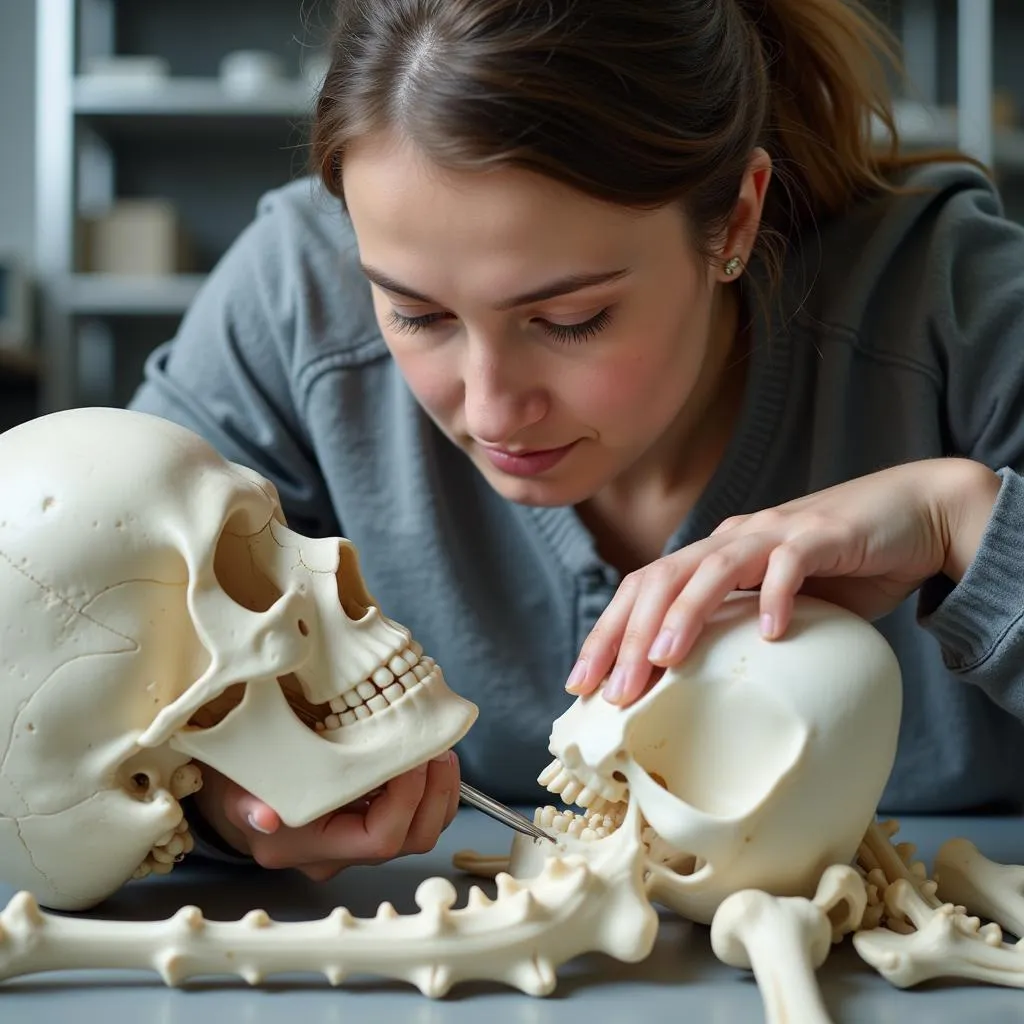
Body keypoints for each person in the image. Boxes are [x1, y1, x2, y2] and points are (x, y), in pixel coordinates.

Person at [128, 0, 1024, 881]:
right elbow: (70, 657)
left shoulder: (958, 308)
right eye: (415, 313)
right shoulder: (294, 298)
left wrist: (967, 525)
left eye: (571, 318)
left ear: (736, 222)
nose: (489, 411)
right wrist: (211, 808)